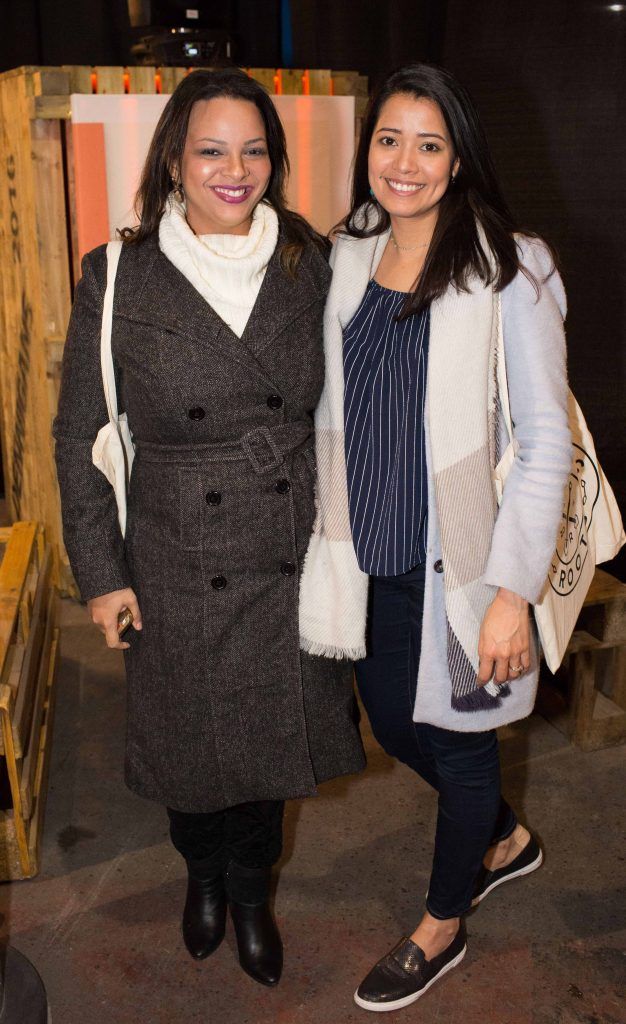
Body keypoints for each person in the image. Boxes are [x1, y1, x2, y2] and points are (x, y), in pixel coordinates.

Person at [53, 67, 365, 988]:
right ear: (175, 162)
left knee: (270, 749)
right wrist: (102, 573)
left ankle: (253, 893)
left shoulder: (314, 262)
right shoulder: (117, 276)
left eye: (254, 150)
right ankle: (201, 876)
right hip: (172, 548)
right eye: (211, 150)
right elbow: (80, 432)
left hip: (286, 541)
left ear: (273, 159)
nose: (235, 170)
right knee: (190, 752)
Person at [299, 63, 571, 1012]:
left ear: (458, 159)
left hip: (461, 561)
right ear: (366, 147)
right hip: (365, 552)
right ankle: (500, 834)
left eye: (429, 143)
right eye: (388, 139)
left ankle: (441, 923)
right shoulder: (345, 253)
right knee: (392, 721)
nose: (404, 162)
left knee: (458, 748)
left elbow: (545, 443)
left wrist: (512, 589)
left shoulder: (511, 264)